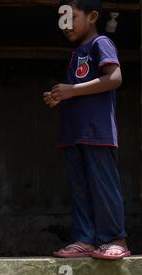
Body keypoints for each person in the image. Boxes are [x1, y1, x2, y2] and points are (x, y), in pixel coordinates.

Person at [44, 0, 130, 259]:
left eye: (71, 17)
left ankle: (115, 238)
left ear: (92, 16)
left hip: (97, 133)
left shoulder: (100, 43)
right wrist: (60, 96)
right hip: (74, 134)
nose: (65, 24)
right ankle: (85, 239)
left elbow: (115, 78)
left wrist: (72, 90)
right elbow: (78, 92)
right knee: (80, 189)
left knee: (102, 186)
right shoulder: (77, 52)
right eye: (62, 19)